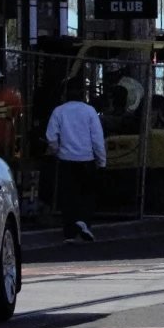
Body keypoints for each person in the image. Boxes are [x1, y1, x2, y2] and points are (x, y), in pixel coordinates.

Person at [45, 80, 107, 243]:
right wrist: (102, 162)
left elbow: (51, 137)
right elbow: (97, 139)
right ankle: (84, 222)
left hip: (66, 160)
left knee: (68, 197)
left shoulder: (59, 111)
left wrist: (57, 151)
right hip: (86, 159)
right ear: (82, 92)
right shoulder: (90, 111)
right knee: (87, 194)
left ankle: (69, 233)